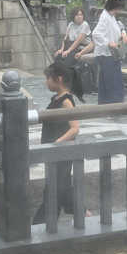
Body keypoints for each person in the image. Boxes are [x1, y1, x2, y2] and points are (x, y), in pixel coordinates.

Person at [32, 61, 84, 225]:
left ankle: (41, 224)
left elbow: (74, 128)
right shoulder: (57, 98)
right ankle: (81, 213)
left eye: (48, 78)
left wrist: (56, 143)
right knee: (60, 188)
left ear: (59, 79)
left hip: (61, 153)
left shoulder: (66, 101)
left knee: (54, 189)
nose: (46, 82)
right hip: (54, 153)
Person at [91, 0, 126, 104]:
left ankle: (106, 105)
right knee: (112, 84)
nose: (119, 10)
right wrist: (108, 43)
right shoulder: (105, 17)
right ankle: (113, 106)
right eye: (118, 8)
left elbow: (118, 26)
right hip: (107, 55)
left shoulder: (110, 16)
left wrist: (123, 32)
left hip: (111, 55)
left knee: (108, 83)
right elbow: (96, 34)